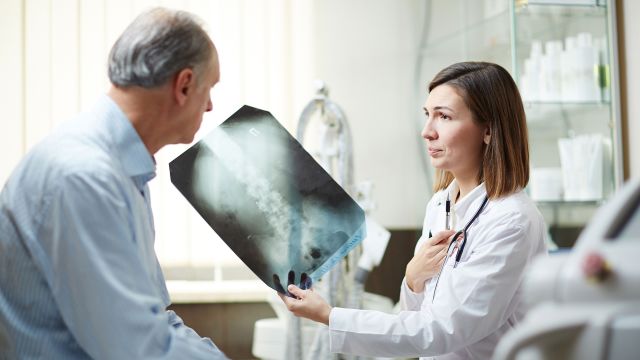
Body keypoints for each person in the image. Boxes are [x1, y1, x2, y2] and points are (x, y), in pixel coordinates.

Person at [279, 61, 548, 359]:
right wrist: (412, 278)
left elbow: (439, 329)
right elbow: (413, 316)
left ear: (488, 129)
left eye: (443, 116)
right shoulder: (440, 205)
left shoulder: (512, 220)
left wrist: (329, 315)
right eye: (427, 115)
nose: (427, 132)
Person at [0, 8, 227, 359]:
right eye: (209, 89)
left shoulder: (122, 171)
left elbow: (156, 322)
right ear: (183, 85)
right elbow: (138, 349)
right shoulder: (84, 178)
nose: (210, 106)